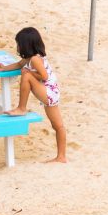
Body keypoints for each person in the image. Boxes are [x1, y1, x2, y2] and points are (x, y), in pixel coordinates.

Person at [9, 26, 68, 163]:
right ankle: (61, 156)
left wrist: (29, 73)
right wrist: (2, 68)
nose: (17, 47)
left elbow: (44, 76)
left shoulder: (35, 59)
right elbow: (18, 64)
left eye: (18, 44)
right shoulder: (31, 58)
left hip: (49, 92)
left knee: (26, 76)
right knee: (58, 126)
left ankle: (21, 108)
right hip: (50, 93)